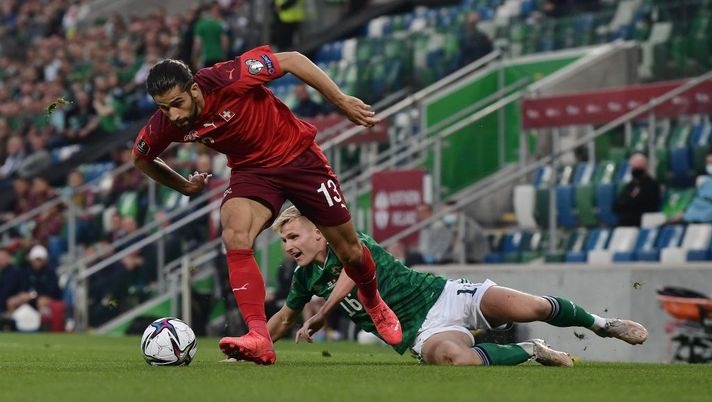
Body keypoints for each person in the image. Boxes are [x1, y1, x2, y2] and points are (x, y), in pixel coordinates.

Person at [131, 45, 401, 365]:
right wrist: (184, 186)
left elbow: (291, 60)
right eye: (164, 108)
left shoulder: (228, 78)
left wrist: (341, 101)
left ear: (193, 89)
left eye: (177, 103)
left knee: (350, 252)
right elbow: (141, 156)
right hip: (253, 173)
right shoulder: (168, 124)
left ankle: (373, 302)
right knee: (234, 232)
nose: (173, 114)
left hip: (299, 159)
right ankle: (259, 335)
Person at [266, 206, 648, 366]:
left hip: (442, 294)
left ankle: (602, 324)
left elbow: (355, 273)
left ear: (319, 233)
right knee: (457, 361)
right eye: (284, 242)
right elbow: (285, 317)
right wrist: (256, 344)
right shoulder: (304, 278)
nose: (289, 247)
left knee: (533, 308)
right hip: (421, 331)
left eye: (294, 236)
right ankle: (531, 350)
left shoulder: (350, 242)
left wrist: (322, 315)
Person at [613, 153, 662, 226]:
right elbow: (616, 205)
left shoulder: (652, 185)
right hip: (625, 223)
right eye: (633, 168)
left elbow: (644, 205)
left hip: (642, 223)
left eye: (638, 168)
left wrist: (628, 202)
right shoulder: (631, 185)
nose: (636, 171)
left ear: (645, 167)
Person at [679, 150, 712, 223]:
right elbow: (697, 201)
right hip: (691, 219)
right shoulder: (705, 181)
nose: (710, 165)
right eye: (708, 163)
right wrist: (684, 214)